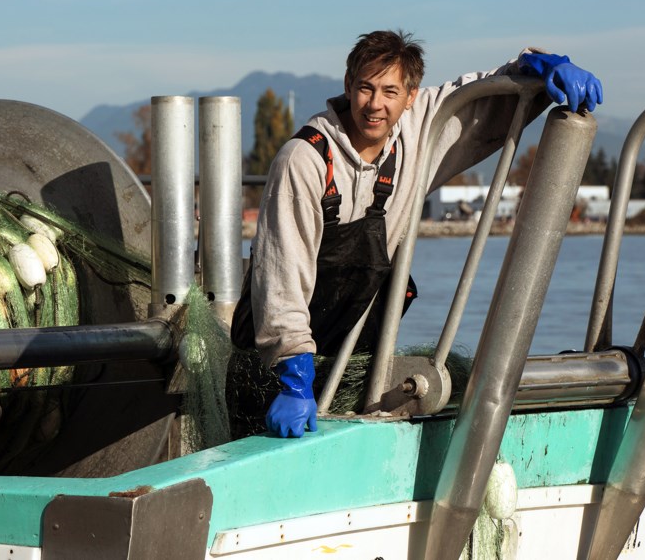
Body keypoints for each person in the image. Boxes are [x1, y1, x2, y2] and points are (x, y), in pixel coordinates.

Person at [231, 29, 603, 438]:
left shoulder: (420, 128)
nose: (375, 105)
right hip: (274, 369)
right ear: (347, 87)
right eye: (365, 89)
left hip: (348, 359)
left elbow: (479, 98)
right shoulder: (304, 160)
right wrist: (293, 377)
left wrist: (540, 69)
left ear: (411, 96)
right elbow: (283, 273)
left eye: (390, 92)